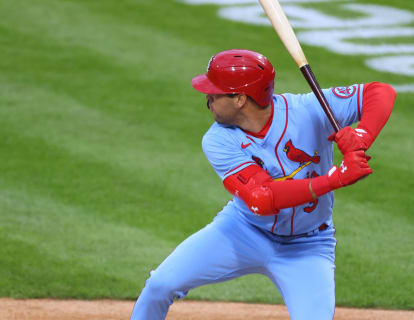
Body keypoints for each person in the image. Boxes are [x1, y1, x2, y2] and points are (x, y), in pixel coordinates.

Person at [130, 49, 396, 320]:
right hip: (244, 232)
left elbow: (380, 92)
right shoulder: (218, 140)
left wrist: (362, 136)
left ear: (240, 99)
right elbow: (262, 198)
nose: (207, 98)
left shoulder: (307, 110)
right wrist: (335, 179)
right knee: (160, 285)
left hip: (309, 244)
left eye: (215, 92)